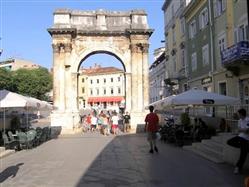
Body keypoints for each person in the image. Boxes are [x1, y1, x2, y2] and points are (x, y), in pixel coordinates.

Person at [227, 108, 249, 174]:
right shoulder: (239, 121)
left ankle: (237, 168)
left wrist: (241, 130)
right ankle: (245, 147)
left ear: (241, 114)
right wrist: (242, 130)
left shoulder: (248, 120)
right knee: (229, 142)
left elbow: (247, 131)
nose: (238, 115)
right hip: (240, 137)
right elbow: (240, 130)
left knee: (243, 155)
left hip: (245, 139)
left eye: (238, 114)